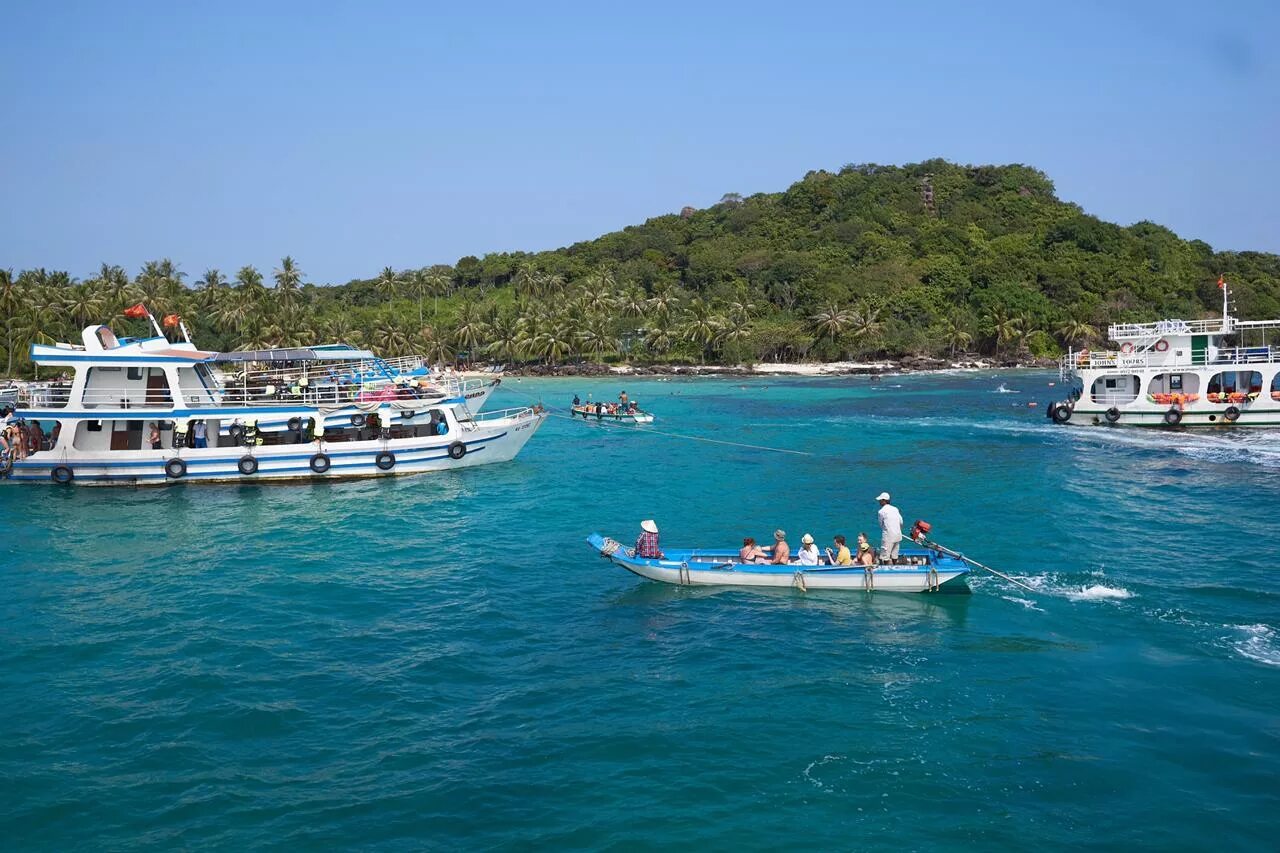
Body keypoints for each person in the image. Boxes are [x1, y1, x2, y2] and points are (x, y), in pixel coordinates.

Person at [876, 493, 903, 563]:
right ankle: (894, 566)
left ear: (884, 501)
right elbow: (901, 522)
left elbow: (881, 524)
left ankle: (885, 570)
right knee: (895, 554)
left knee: (885, 556)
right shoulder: (895, 509)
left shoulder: (881, 512)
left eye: (880, 500)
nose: (879, 502)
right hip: (898, 535)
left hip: (888, 536)